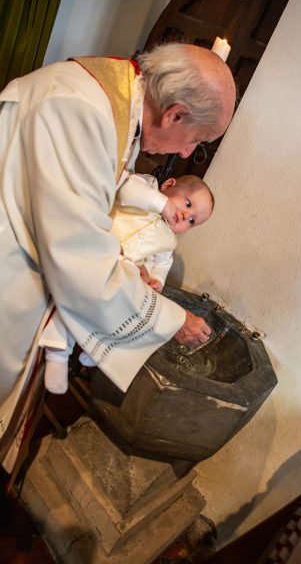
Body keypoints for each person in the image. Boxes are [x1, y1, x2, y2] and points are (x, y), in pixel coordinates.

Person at [0, 42, 236, 468]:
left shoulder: (114, 110)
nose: (185, 154)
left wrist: (132, 270)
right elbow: (81, 261)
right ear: (176, 114)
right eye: (195, 140)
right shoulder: (83, 113)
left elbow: (94, 211)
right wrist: (170, 317)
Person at [41, 173, 214, 393]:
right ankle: (57, 352)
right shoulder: (145, 189)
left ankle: (100, 349)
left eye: (192, 221)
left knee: (121, 308)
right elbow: (125, 189)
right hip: (98, 249)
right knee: (75, 298)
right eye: (187, 204)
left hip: (123, 270)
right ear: (169, 185)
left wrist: (156, 280)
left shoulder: (167, 241)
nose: (185, 215)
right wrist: (162, 204)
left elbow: (162, 263)